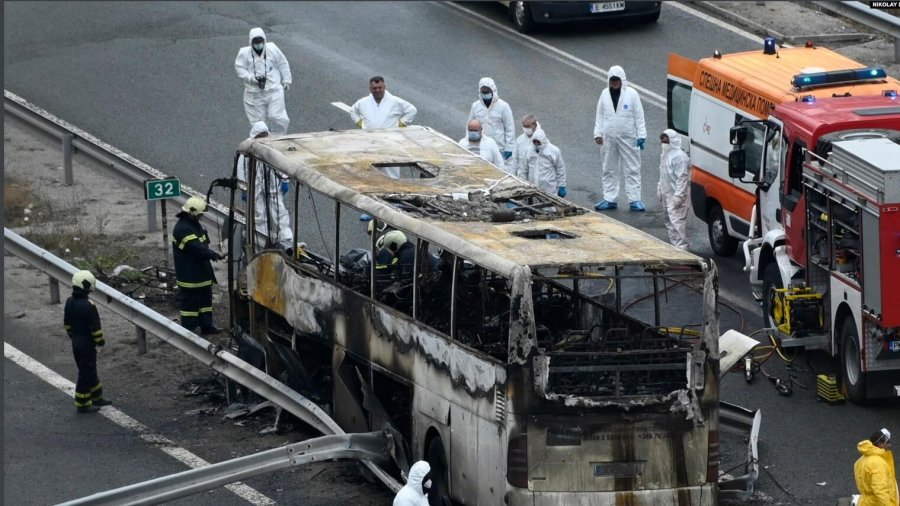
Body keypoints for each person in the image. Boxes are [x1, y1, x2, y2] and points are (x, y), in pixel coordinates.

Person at [593, 65, 647, 212]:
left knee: (632, 168)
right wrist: (598, 133)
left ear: (622, 80)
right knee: (609, 168)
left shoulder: (632, 94)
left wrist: (641, 135)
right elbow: (600, 115)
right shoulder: (604, 94)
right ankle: (610, 198)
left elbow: (639, 116)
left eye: (617, 80)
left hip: (628, 138)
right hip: (609, 138)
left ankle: (634, 199)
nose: (614, 82)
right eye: (612, 80)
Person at [236, 121, 294, 251]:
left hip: (272, 183)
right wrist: (244, 188)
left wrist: (284, 180)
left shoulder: (271, 145)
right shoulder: (247, 148)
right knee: (259, 212)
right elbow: (241, 170)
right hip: (255, 185)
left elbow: (280, 163)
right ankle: (262, 240)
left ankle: (286, 238)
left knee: (279, 210)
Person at [172, 197, 225, 335]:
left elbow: (202, 244)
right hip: (190, 276)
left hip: (201, 274)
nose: (201, 216)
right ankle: (189, 330)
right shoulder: (182, 229)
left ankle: (207, 326)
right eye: (200, 214)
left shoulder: (194, 225)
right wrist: (213, 255)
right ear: (192, 213)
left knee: (205, 304)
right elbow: (196, 249)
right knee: (190, 305)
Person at [64, 270, 112, 413]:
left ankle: (96, 396)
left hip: (76, 341)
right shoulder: (89, 306)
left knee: (88, 369)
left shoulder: (69, 302)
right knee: (86, 372)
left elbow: (67, 324)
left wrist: (73, 336)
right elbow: (95, 328)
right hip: (87, 343)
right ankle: (82, 402)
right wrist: (100, 341)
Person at [234, 27, 292, 135]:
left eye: (260, 42)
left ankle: (279, 137)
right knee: (259, 123)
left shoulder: (272, 49)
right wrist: (251, 78)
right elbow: (239, 68)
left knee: (277, 116)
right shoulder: (244, 53)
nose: (258, 45)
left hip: (273, 89)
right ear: (251, 42)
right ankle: (261, 142)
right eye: (255, 43)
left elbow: (282, 63)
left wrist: (286, 80)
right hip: (255, 93)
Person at [468, 77, 515, 171]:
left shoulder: (503, 106)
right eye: (483, 92)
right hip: (482, 147)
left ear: (493, 90)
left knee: (500, 171)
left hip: (499, 147)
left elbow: (510, 128)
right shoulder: (476, 106)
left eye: (487, 92)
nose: (485, 94)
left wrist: (509, 148)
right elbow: (469, 126)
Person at [657, 129, 691, 250]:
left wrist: (678, 195)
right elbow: (663, 172)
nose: (663, 142)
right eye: (662, 139)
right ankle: (674, 247)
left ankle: (682, 249)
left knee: (677, 222)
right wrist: (660, 187)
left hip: (676, 195)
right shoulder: (665, 154)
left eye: (666, 139)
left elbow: (682, 177)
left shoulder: (679, 157)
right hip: (667, 194)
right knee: (669, 221)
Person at [349, 76, 417, 129]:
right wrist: (358, 122)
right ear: (370, 89)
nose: (377, 90)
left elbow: (412, 110)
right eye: (374, 88)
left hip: (390, 138)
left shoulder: (394, 101)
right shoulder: (362, 102)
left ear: (384, 87)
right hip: (369, 137)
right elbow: (353, 110)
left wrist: (402, 122)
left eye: (380, 87)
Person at [854, 428, 898, 506]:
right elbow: (880, 491)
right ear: (880, 444)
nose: (889, 445)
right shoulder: (877, 463)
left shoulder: (860, 461)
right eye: (887, 442)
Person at [518, 128, 567, 197]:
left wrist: (562, 186)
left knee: (548, 207)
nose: (536, 144)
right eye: (534, 142)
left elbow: (560, 169)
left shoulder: (554, 151)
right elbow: (524, 169)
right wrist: (522, 183)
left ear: (543, 141)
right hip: (532, 190)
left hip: (550, 191)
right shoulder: (529, 150)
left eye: (538, 142)